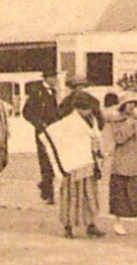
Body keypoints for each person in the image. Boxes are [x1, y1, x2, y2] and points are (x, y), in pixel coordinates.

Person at [45, 93, 105, 239]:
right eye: (86, 109)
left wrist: (98, 151)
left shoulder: (92, 120)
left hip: (89, 162)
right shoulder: (68, 122)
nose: (89, 112)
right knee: (71, 196)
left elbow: (96, 137)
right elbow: (53, 135)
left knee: (90, 195)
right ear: (77, 108)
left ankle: (91, 224)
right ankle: (68, 227)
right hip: (72, 163)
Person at [105, 94, 137, 237]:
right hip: (121, 164)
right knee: (119, 195)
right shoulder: (116, 122)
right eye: (128, 103)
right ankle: (117, 223)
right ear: (123, 106)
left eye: (133, 103)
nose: (131, 106)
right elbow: (119, 139)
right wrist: (129, 128)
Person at [22, 80, 58, 204]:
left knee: (53, 160)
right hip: (42, 131)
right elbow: (26, 112)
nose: (56, 80)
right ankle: (49, 190)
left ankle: (46, 185)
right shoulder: (36, 92)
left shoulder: (53, 92)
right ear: (48, 78)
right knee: (45, 160)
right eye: (54, 77)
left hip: (53, 131)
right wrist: (38, 124)